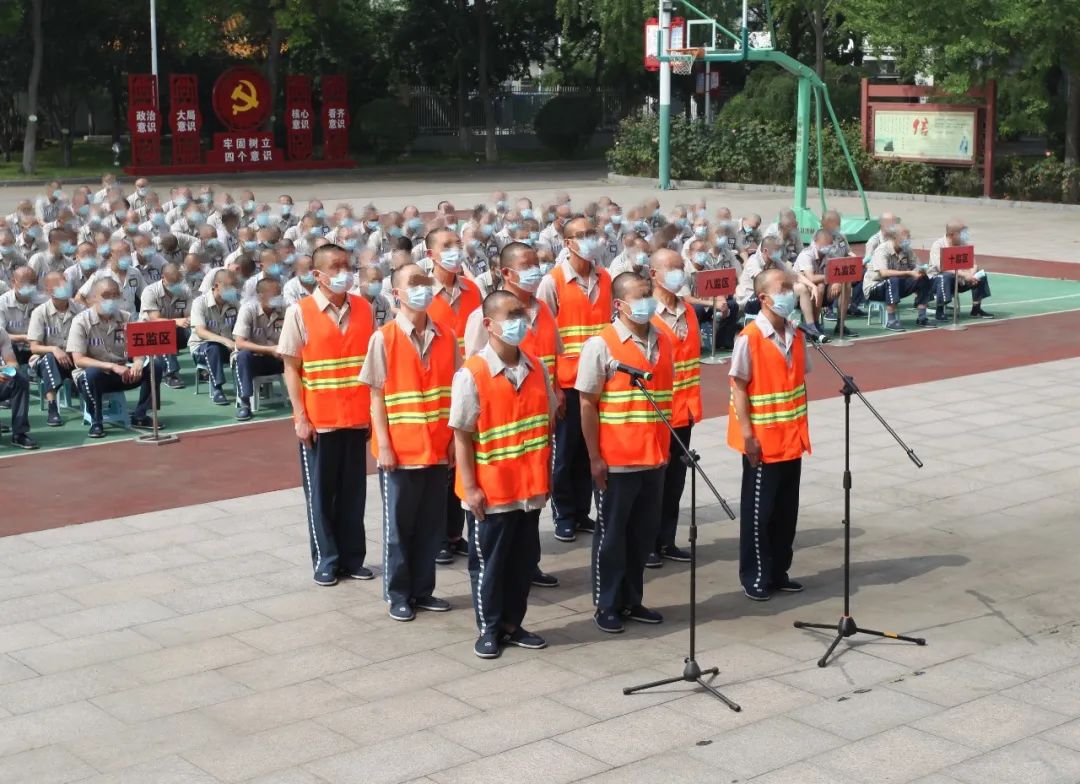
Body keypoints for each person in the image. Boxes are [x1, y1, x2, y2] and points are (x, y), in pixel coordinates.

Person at [451, 290, 556, 658]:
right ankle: (490, 628)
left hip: (529, 488)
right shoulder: (472, 373)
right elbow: (462, 435)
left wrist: (547, 476)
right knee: (490, 564)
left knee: (522, 561)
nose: (519, 321)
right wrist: (470, 487)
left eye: (522, 314)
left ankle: (514, 623)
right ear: (488, 324)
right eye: (510, 315)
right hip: (492, 490)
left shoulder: (536, 367)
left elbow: (547, 424)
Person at [361, 262, 458, 621]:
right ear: (397, 293)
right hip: (399, 451)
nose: (423, 288)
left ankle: (424, 590)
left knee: (431, 525)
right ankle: (398, 593)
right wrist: (383, 444)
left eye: (425, 282)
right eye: (413, 283)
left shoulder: (446, 335)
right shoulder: (383, 337)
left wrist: (451, 442)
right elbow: (376, 396)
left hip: (436, 447)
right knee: (400, 528)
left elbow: (454, 391)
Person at [576, 271, 672, 633]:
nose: (648, 300)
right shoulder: (601, 345)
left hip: (655, 456)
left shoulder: (662, 340)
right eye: (640, 295)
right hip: (617, 460)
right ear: (619, 304)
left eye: (649, 293)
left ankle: (633, 598)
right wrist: (594, 458)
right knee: (612, 536)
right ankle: (607, 604)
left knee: (642, 535)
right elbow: (587, 404)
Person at [463, 242, 562, 589]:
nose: (535, 269)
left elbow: (553, 355)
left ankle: (527, 565)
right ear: (506, 271)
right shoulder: (485, 316)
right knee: (494, 528)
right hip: (498, 422)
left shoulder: (543, 310)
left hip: (535, 413)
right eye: (527, 264)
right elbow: (476, 367)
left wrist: (554, 397)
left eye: (537, 263)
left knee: (529, 510)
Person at [278, 244, 375, 586]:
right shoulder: (300, 313)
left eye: (347, 265)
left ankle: (353, 558)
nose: (343, 272)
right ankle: (326, 559)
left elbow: (370, 366)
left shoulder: (364, 308)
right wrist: (299, 416)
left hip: (356, 417)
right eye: (335, 267)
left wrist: (373, 416)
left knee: (353, 492)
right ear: (316, 275)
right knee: (321, 495)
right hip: (320, 421)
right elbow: (291, 368)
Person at [728, 268, 811, 601]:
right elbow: (739, 387)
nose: (790, 293)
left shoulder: (795, 333)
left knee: (785, 512)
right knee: (759, 514)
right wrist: (748, 435)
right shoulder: (749, 337)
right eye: (783, 288)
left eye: (791, 287)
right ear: (763, 297)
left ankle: (779, 571)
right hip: (763, 442)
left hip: (791, 438)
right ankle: (756, 574)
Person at [536, 216, 613, 543]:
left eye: (592, 233)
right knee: (565, 454)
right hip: (567, 382)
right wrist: (554, 388)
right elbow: (544, 339)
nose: (589, 239)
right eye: (581, 235)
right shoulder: (552, 282)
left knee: (589, 448)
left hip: (601, 381)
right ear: (567, 243)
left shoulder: (606, 278)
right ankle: (565, 514)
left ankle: (582, 513)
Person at [423, 228, 483, 565]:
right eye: (446, 246)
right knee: (438, 469)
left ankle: (454, 533)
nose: (454, 251)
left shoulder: (473, 289)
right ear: (431, 254)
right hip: (437, 390)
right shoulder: (422, 292)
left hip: (469, 388)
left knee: (462, 461)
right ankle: (437, 538)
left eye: (457, 245)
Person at [645, 249, 700, 568]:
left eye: (682, 267)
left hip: (684, 410)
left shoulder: (688, 312)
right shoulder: (646, 315)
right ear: (654, 274)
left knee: (675, 481)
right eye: (673, 268)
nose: (680, 273)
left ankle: (667, 539)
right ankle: (648, 542)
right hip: (655, 414)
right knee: (654, 483)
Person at [68, 278, 165, 438]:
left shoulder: (126, 318)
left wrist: (138, 363)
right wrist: (111, 367)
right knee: (91, 374)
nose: (111, 300)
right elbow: (79, 360)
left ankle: (140, 415)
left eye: (115, 295)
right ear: (93, 298)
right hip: (96, 376)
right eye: (105, 295)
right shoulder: (80, 321)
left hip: (124, 372)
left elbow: (137, 349)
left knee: (156, 366)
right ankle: (96, 421)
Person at [27, 271, 83, 426]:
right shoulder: (40, 312)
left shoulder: (79, 309)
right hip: (45, 359)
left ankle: (93, 405)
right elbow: (34, 347)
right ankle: (53, 408)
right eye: (59, 285)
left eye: (66, 282)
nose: (65, 286)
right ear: (49, 291)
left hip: (73, 357)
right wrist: (53, 349)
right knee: (49, 359)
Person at [232, 277, 286, 421]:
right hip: (254, 360)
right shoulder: (248, 310)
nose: (279, 297)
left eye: (280, 293)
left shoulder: (285, 309)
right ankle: (245, 404)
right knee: (242, 356)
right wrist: (269, 350)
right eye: (275, 294)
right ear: (261, 296)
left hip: (279, 358)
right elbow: (240, 343)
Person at [864, 225, 934, 331]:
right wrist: (909, 273)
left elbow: (916, 266)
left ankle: (922, 318)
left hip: (897, 285)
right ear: (895, 237)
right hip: (875, 287)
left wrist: (921, 270)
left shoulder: (907, 250)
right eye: (905, 237)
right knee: (893, 280)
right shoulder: (882, 250)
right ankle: (891, 321)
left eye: (909, 237)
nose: (908, 240)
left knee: (922, 278)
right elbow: (884, 273)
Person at [190, 268, 240, 405]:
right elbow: (201, 332)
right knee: (213, 349)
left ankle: (246, 387)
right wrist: (226, 341)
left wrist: (236, 342)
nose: (233, 289)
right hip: (201, 348)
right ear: (217, 285)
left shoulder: (235, 302)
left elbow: (242, 326)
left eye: (235, 285)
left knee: (246, 349)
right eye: (229, 285)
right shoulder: (200, 303)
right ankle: (217, 388)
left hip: (229, 347)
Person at [140, 263, 192, 389]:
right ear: (163, 277)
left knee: (196, 331)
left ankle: (203, 369)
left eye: (179, 281)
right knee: (162, 331)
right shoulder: (150, 291)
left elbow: (188, 316)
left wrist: (187, 321)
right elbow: (155, 320)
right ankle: (170, 373)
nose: (177, 285)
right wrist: (175, 322)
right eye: (173, 282)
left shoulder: (185, 290)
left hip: (177, 330)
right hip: (150, 334)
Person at [929, 219, 994, 320]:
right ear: (952, 234)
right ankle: (940, 310)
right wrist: (964, 275)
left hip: (960, 280)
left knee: (980, 274)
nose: (965, 235)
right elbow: (941, 267)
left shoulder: (963, 243)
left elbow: (973, 263)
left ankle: (976, 309)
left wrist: (972, 274)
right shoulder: (938, 245)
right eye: (962, 232)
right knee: (945, 276)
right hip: (938, 281)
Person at [0, 327, 38, 449]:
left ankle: (19, 433)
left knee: (19, 379)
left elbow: (12, 363)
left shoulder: (1, 332)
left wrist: (7, 372)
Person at [0, 267, 37, 365]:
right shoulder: (2, 302)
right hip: (11, 349)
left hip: (34, 349)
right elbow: (1, 335)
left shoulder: (42, 302)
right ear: (13, 282)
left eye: (32, 282)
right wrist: (23, 338)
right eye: (24, 283)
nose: (29, 286)